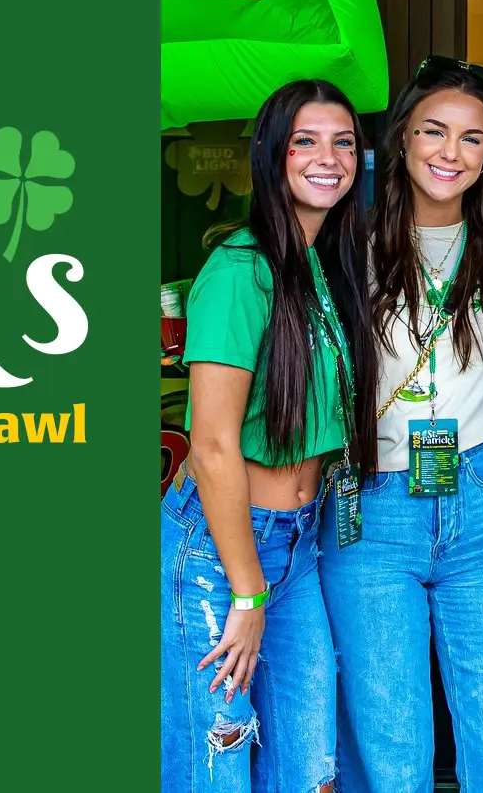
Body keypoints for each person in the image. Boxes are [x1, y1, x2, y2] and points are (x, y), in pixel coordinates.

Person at [319, 56, 483, 791]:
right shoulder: (346, 246)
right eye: (435, 131)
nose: (451, 152)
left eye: (472, 139)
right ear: (402, 138)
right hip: (375, 503)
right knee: (392, 750)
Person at [161, 80, 377, 793]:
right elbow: (214, 444)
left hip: (298, 549)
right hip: (220, 556)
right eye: (305, 141)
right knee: (214, 765)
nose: (328, 157)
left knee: (309, 770)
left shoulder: (321, 265)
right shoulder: (237, 271)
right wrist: (247, 593)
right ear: (271, 156)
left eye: (343, 141)